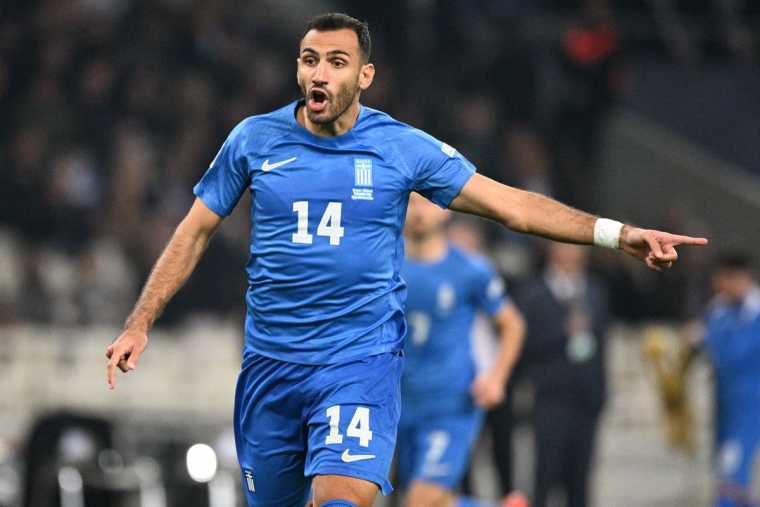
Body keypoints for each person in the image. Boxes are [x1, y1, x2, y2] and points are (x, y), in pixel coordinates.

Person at [104, 12, 707, 507]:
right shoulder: (253, 140)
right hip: (270, 366)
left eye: (336, 61)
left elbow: (512, 206)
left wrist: (616, 234)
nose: (318, 72)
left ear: (365, 75)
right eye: (309, 59)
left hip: (357, 363)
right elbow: (194, 231)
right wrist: (140, 321)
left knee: (343, 500)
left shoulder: (400, 148)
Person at [397, 192, 525, 507]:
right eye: (411, 202)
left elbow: (512, 324)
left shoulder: (470, 270)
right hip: (399, 402)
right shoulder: (384, 266)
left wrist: (496, 378)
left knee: (420, 502)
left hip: (450, 404)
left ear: (446, 210)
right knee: (431, 502)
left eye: (427, 202)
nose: (419, 212)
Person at [516, 243, 610, 507]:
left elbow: (602, 345)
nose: (571, 253)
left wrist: (602, 391)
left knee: (580, 478)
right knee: (545, 474)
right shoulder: (534, 294)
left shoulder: (594, 291)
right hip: (550, 397)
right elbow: (524, 344)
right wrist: (562, 332)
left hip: (586, 398)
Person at [699, 253, 760, 507]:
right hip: (724, 409)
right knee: (728, 478)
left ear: (741, 278)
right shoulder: (718, 311)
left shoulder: (754, 314)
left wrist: (704, 338)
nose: (719, 285)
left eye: (724, 279)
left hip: (750, 410)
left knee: (731, 480)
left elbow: (733, 355)